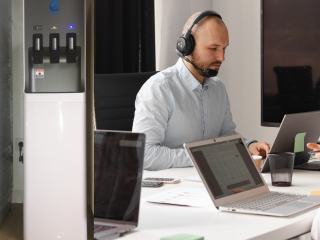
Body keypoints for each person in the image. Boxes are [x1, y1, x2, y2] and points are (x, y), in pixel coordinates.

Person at [132, 11, 270, 171]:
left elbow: (225, 136)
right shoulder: (159, 88)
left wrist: (248, 145)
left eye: (224, 48)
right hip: (173, 187)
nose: (222, 57)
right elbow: (144, 155)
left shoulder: (217, 87)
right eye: (213, 48)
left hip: (212, 179)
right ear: (186, 46)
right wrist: (206, 156)